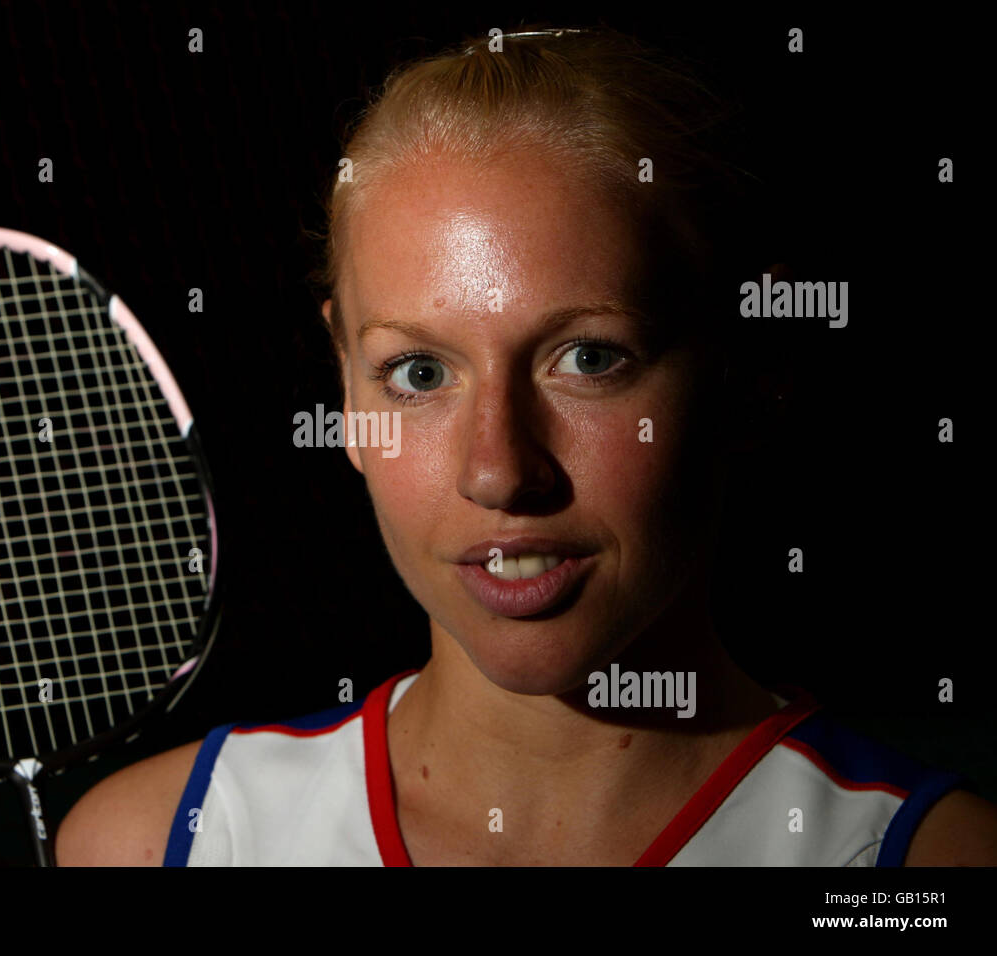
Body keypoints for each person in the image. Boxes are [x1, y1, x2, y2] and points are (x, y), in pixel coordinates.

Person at [57, 25, 997, 866]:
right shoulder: (157, 843)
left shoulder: (919, 868)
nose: (499, 470)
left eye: (588, 358)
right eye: (419, 373)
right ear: (344, 384)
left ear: (748, 373)